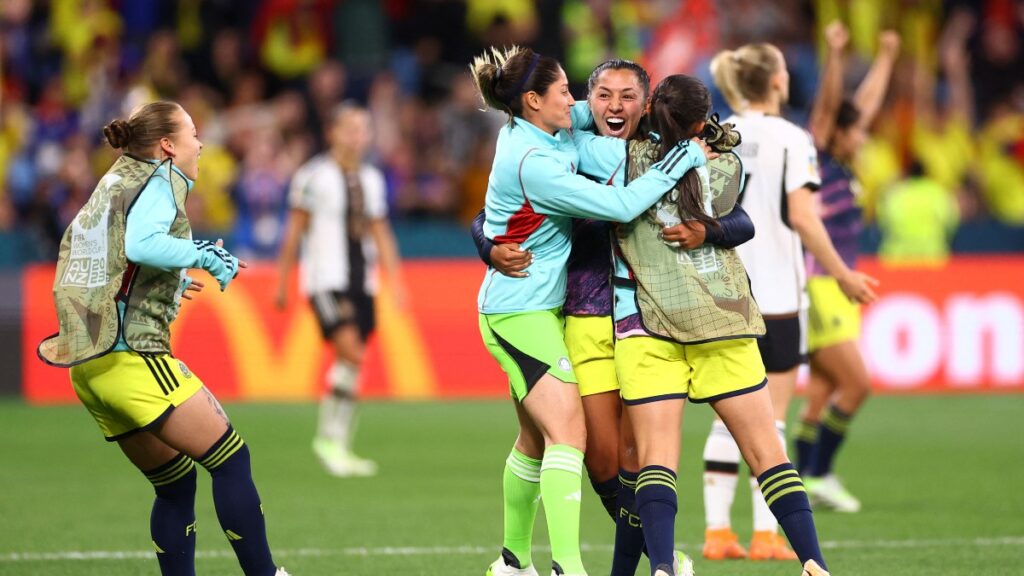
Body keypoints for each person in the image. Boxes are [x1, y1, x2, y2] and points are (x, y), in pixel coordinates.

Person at [472, 59, 755, 576]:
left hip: (640, 315)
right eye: (595, 94)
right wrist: (488, 245)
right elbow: (501, 208)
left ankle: (520, 562)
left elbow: (741, 218)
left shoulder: (586, 132)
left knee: (579, 445)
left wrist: (708, 227)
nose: (606, 107)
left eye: (627, 96)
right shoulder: (558, 145)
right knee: (589, 451)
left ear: (646, 103)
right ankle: (593, 564)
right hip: (563, 310)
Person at [571, 73, 831, 576]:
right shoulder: (725, 161)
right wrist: (708, 227)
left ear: (649, 107)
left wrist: (582, 106)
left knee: (653, 462)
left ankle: (663, 565)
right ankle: (814, 560)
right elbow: (745, 224)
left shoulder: (616, 160)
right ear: (701, 119)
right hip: (723, 317)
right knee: (767, 453)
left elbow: (562, 142)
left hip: (649, 323)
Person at [37, 101, 288, 576]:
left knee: (174, 486)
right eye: (193, 133)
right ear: (167, 146)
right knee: (232, 458)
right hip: (129, 354)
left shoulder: (112, 182)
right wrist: (206, 258)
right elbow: (142, 244)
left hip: (88, 364)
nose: (201, 143)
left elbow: (104, 255)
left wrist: (169, 281)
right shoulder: (159, 178)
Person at [700, 39, 878, 562]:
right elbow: (803, 216)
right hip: (776, 293)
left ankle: (716, 534)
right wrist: (843, 273)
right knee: (769, 417)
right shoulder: (791, 138)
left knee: (724, 415)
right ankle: (764, 536)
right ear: (778, 80)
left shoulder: (719, 134)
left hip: (721, 292)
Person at [795, 24, 899, 511]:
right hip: (821, 282)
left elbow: (866, 103)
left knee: (823, 390)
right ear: (837, 132)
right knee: (857, 385)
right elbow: (830, 106)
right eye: (855, 129)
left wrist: (886, 55)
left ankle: (802, 477)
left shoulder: (842, 163)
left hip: (832, 285)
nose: (863, 134)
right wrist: (834, 54)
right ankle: (817, 475)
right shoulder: (817, 157)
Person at [275, 102, 404, 477]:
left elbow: (380, 232)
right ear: (332, 132)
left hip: (362, 280)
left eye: (363, 129)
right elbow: (295, 230)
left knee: (353, 361)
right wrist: (282, 281)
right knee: (350, 352)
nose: (357, 136)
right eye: (350, 128)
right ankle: (331, 441)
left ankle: (338, 442)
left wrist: (395, 282)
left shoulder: (372, 179)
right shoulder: (312, 176)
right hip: (325, 280)